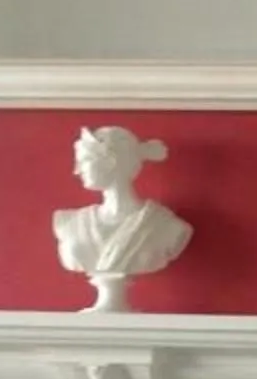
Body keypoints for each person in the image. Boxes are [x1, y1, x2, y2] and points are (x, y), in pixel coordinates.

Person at [51, 126, 192, 309]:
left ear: (110, 161)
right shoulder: (70, 223)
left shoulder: (167, 226)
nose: (77, 171)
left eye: (84, 161)